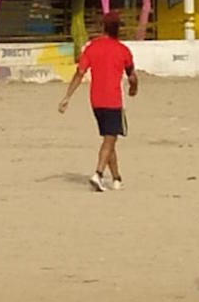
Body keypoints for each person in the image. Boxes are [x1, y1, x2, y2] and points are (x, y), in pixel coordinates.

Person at [58, 11, 139, 192]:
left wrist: (67, 97)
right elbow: (132, 76)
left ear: (103, 27)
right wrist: (134, 89)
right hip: (113, 101)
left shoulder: (92, 48)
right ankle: (99, 174)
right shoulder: (123, 50)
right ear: (119, 29)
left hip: (95, 101)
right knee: (109, 140)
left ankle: (117, 178)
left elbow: (79, 73)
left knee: (109, 139)